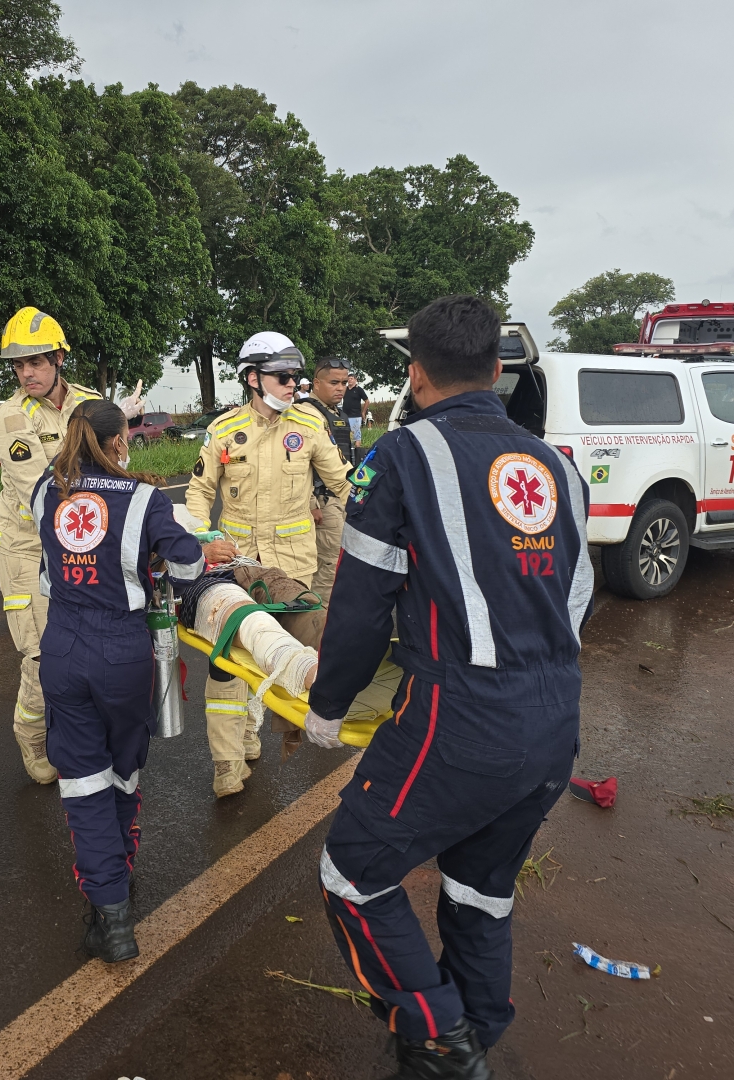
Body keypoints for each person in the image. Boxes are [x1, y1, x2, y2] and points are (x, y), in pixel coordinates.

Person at [304, 295, 592, 1080]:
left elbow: (361, 608)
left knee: (352, 872)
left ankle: (438, 1039)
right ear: (498, 371)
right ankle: (480, 1029)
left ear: (415, 373)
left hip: (459, 717)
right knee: (479, 887)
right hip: (555, 718)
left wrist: (328, 705)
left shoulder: (397, 457)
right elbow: (575, 598)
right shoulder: (557, 468)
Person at [32, 400, 234, 962]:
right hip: (123, 652)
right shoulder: (145, 498)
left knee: (82, 784)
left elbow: (50, 563)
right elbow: (190, 565)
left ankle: (112, 915)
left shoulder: (46, 493)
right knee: (122, 771)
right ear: (119, 440)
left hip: (64, 647)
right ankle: (120, 879)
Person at [184, 331, 351, 797]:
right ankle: (226, 762)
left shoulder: (310, 427)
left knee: (284, 656)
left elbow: (343, 483)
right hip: (236, 567)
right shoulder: (223, 431)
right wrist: (203, 537)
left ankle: (253, 731)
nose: (292, 385)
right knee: (228, 664)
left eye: (296, 377)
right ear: (253, 379)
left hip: (292, 568)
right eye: (282, 377)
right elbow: (198, 493)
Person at [0, 307, 144, 785]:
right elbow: (42, 489)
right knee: (41, 657)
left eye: (35, 361)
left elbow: (117, 466)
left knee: (90, 650)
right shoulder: (10, 417)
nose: (26, 373)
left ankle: (79, 736)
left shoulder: (91, 403)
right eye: (18, 365)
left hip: (85, 542)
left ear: (59, 358)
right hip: (29, 551)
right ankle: (32, 739)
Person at [304, 357, 355, 598]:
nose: (341, 387)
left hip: (340, 497)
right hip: (323, 501)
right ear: (316, 383)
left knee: (340, 563)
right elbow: (299, 465)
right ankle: (319, 628)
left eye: (344, 382)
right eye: (334, 382)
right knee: (328, 566)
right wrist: (312, 503)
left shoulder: (337, 413)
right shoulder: (306, 414)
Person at [342, 373, 369, 451]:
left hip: (355, 416)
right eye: (349, 378)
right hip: (346, 415)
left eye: (351, 378)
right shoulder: (345, 389)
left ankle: (357, 452)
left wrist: (363, 412)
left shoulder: (359, 390)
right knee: (346, 435)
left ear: (355, 380)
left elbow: (367, 401)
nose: (349, 380)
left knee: (356, 435)